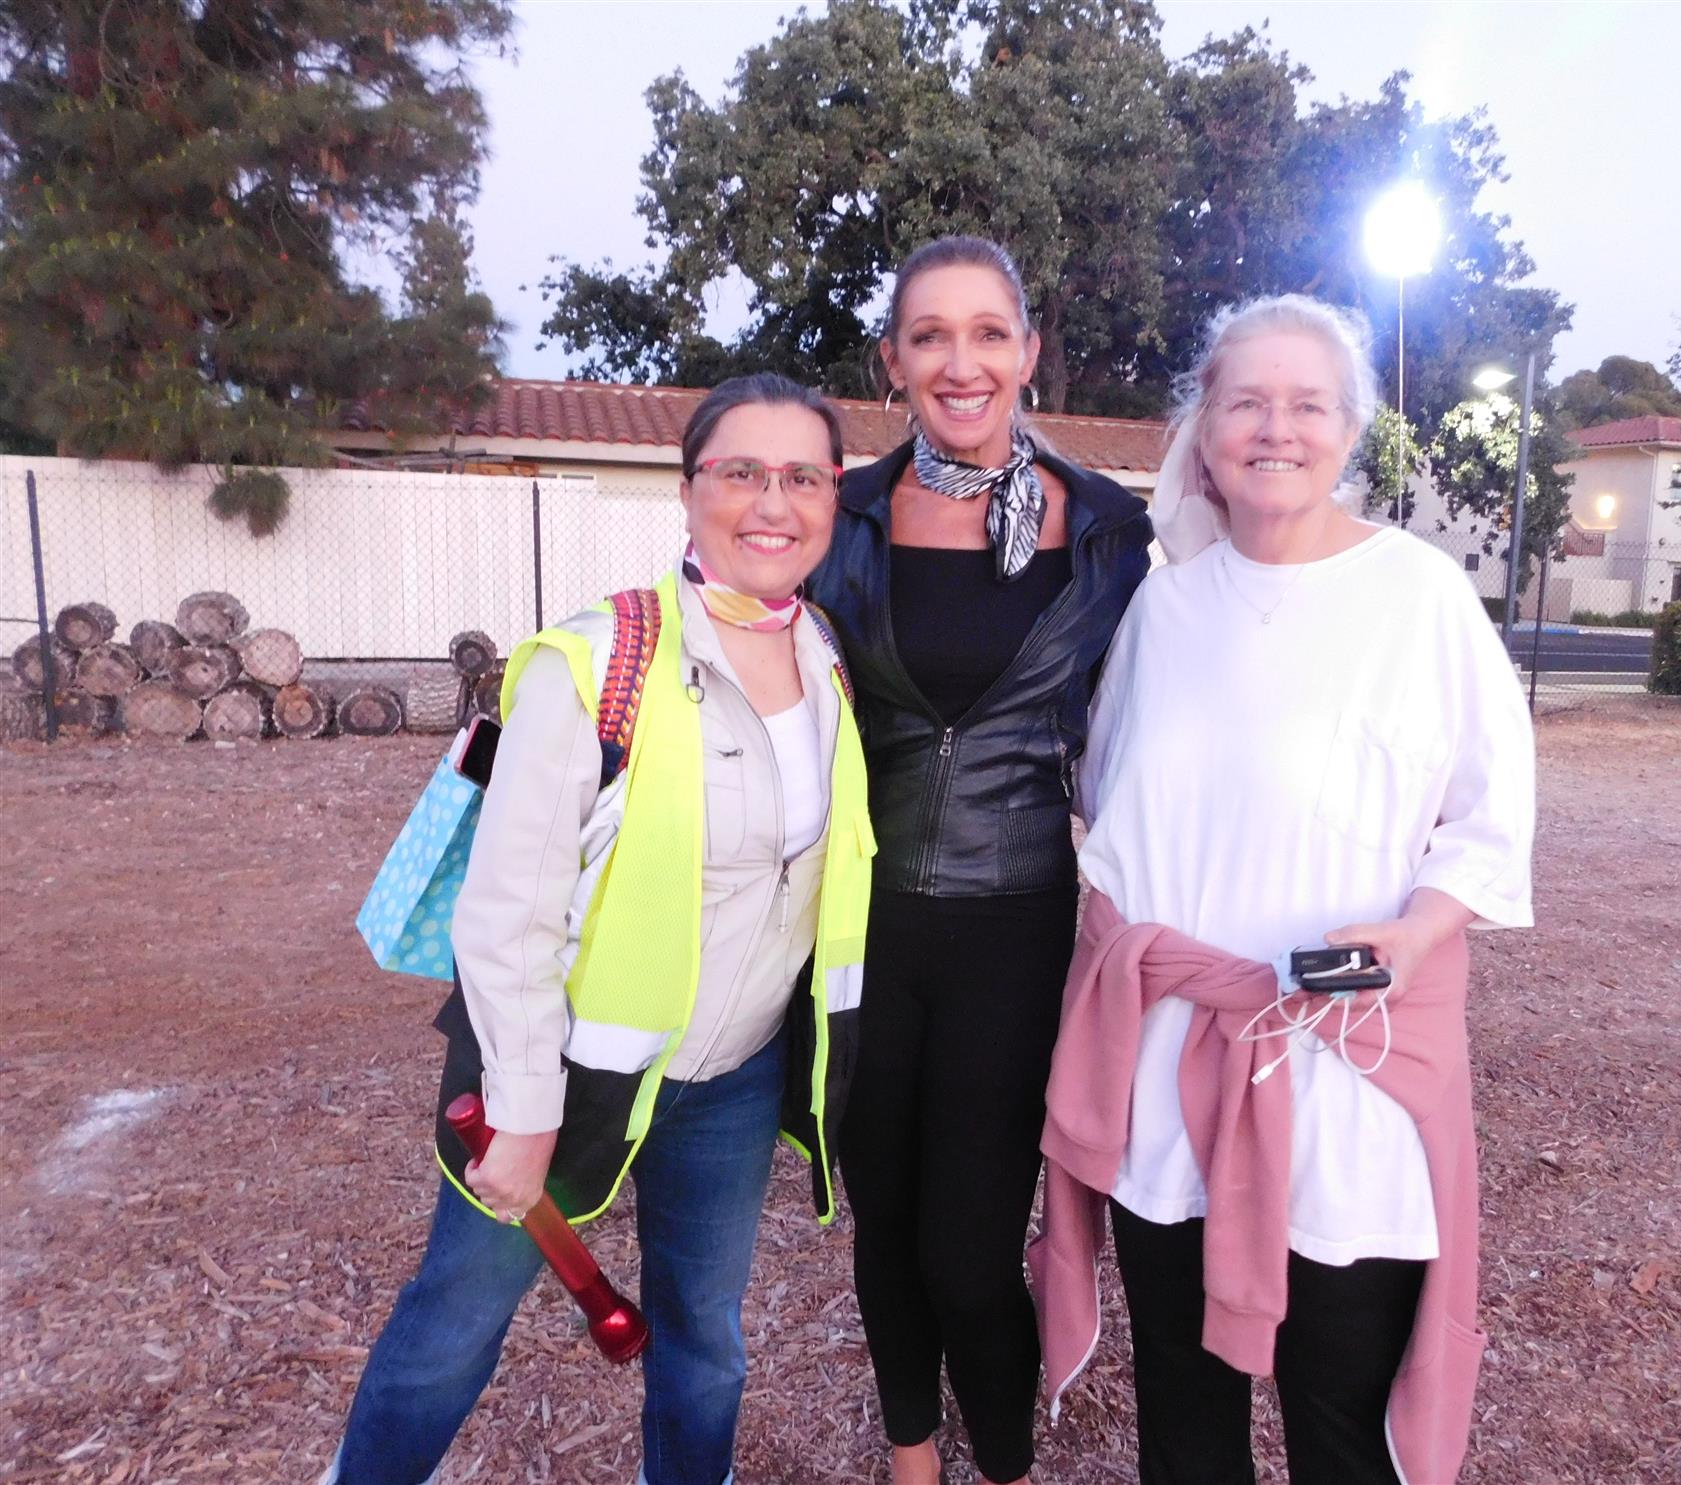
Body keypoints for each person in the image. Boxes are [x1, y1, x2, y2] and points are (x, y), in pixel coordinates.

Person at [322, 373, 876, 1485]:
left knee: (706, 1345)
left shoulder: (827, 656)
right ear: (689, 489)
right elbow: (507, 911)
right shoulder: (597, 658)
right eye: (741, 472)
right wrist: (524, 1107)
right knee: (452, 1327)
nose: (773, 502)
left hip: (731, 1080)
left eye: (803, 476)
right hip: (563, 1072)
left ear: (833, 497)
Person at [1033, 294, 1536, 1485]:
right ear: (1203, 430)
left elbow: (1490, 815)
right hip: (1173, 1069)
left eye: (1308, 403)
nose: (1276, 428)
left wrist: (1417, 934)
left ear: (1350, 429)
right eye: (1245, 402)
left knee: (1339, 1421)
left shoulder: (1419, 598)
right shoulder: (1164, 609)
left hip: (1345, 1069)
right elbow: (1111, 803)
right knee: (1183, 1417)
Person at [806, 235, 1152, 1485]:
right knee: (884, 1231)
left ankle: (1002, 1462)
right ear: (892, 361)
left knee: (966, 1250)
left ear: (1028, 351)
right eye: (931, 335)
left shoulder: (1109, 532)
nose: (962, 363)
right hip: (862, 921)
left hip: (1015, 925)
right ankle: (914, 1461)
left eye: (988, 333)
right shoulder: (839, 516)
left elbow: (1162, 717)